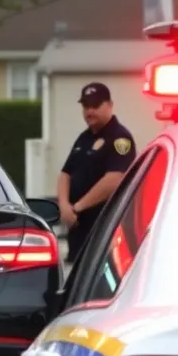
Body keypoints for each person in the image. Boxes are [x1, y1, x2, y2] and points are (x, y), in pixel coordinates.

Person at [57, 82, 137, 264]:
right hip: (78, 229)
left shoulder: (120, 138)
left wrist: (77, 207)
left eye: (95, 105)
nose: (89, 111)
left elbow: (115, 179)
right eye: (86, 106)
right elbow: (65, 174)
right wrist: (64, 206)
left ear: (110, 105)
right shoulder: (84, 138)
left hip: (103, 229)